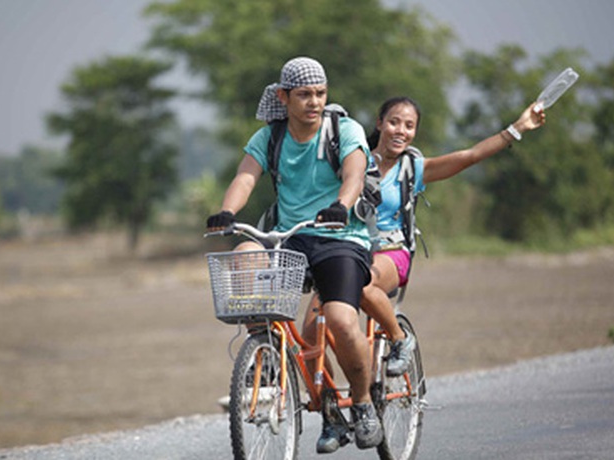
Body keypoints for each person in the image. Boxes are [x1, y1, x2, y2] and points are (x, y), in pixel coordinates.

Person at [206, 56, 384, 452]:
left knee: (339, 319)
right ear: (283, 97)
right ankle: (266, 350)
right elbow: (245, 176)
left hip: (341, 237)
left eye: (320, 93)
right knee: (246, 250)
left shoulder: (344, 130)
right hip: (291, 239)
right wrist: (228, 212)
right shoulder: (270, 137)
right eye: (304, 94)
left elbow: (355, 173)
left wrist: (342, 203)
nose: (314, 102)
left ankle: (362, 401)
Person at [359, 96, 547, 376]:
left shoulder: (414, 169)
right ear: (380, 123)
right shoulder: (354, 161)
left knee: (361, 283)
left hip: (391, 250)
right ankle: (327, 404)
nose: (401, 131)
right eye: (394, 122)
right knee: (317, 320)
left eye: (409, 126)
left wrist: (518, 127)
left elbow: (470, 156)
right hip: (351, 248)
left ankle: (400, 339)